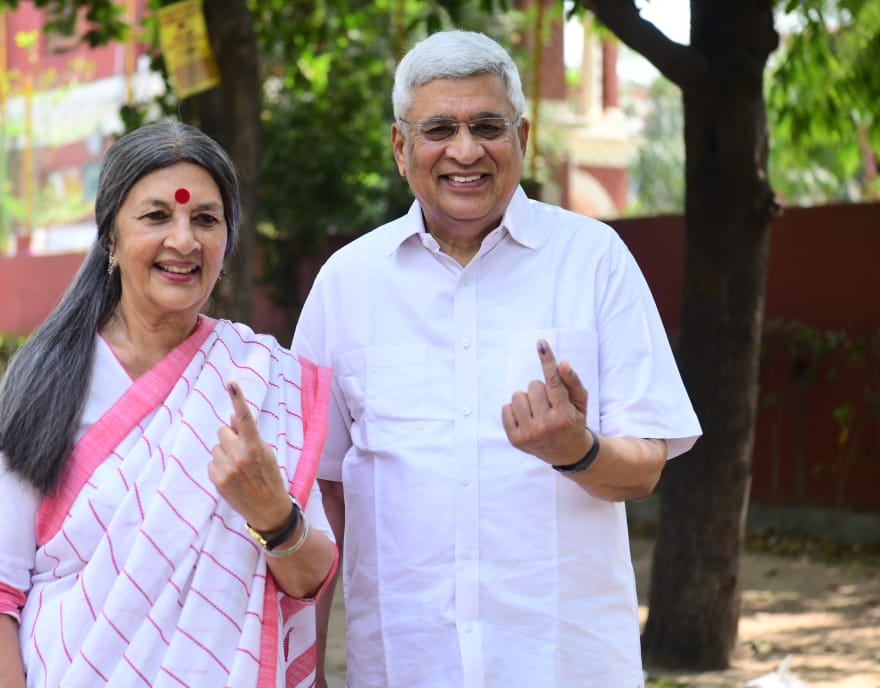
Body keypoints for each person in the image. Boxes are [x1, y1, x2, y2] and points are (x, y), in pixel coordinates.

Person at [292, 30, 702, 687]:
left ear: (522, 137)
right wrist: (302, 665)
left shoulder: (594, 262)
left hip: (566, 664)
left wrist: (578, 449)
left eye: (487, 125)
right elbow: (321, 494)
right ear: (401, 147)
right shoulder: (346, 284)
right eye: (438, 129)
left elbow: (645, 467)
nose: (465, 150)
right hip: (407, 664)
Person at [0, 121, 337, 688]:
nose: (184, 240)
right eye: (157, 216)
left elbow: (312, 579)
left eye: (205, 219)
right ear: (110, 236)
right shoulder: (47, 380)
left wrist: (274, 514)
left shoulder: (260, 380)